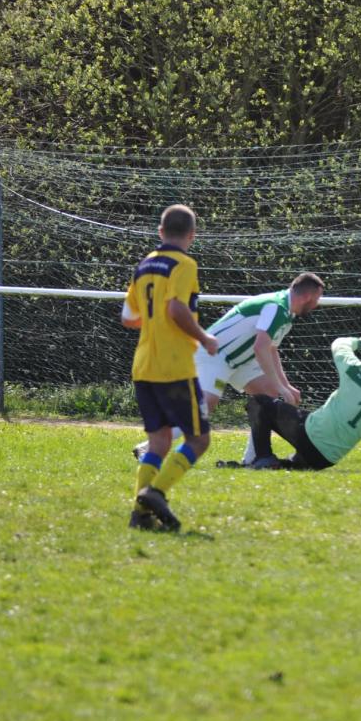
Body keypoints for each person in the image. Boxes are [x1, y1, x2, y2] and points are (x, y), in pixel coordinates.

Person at [132, 272, 325, 465]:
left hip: (238, 361)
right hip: (216, 355)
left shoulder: (287, 312)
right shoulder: (277, 306)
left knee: (269, 394)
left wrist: (285, 386)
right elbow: (260, 347)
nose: (318, 304)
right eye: (318, 298)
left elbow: (271, 349)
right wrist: (282, 387)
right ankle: (149, 447)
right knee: (206, 405)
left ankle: (253, 458)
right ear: (307, 296)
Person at [121, 204, 219, 532]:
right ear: (191, 235)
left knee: (159, 442)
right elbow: (177, 309)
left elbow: (128, 317)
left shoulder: (144, 265)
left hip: (144, 364)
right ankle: (156, 492)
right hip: (174, 366)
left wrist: (153, 322)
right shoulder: (185, 264)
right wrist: (204, 337)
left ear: (160, 231)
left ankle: (141, 514)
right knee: (199, 439)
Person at [239, 335, 361, 474]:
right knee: (294, 463)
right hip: (325, 459)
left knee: (260, 402)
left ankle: (263, 456)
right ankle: (276, 464)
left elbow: (339, 344)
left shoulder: (355, 371)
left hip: (308, 434)